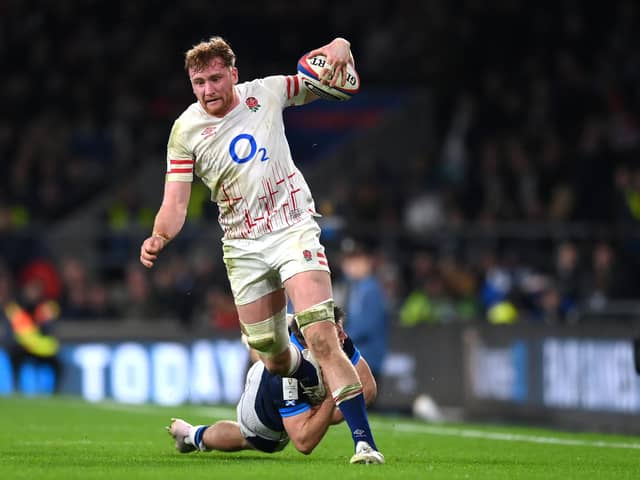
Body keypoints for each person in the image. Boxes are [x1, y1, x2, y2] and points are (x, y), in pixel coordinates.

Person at [139, 36, 383, 464]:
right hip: (243, 246)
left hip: (293, 228)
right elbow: (175, 203)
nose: (208, 89)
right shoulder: (185, 130)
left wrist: (341, 46)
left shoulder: (266, 92)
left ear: (233, 74)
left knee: (320, 332)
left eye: (215, 78)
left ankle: (364, 443)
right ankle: (305, 374)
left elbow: (327, 85)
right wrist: (159, 235)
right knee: (270, 355)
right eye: (199, 82)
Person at [167, 307, 380, 461]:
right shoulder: (288, 374)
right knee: (256, 440)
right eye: (337, 332)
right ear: (309, 340)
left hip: (290, 357)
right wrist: (329, 401)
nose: (343, 337)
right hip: (263, 404)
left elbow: (368, 390)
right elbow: (304, 442)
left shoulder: (333, 337)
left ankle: (189, 434)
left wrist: (325, 413)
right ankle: (193, 435)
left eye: (340, 330)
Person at [339, 238, 388, 387]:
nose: (351, 265)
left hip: (367, 358)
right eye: (348, 260)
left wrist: (339, 338)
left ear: (367, 262)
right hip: (355, 356)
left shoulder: (371, 289)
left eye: (356, 259)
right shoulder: (352, 287)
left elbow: (366, 326)